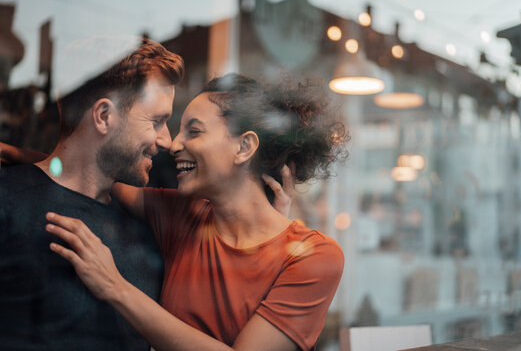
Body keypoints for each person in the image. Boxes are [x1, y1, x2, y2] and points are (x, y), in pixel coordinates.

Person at [44, 73, 348, 351]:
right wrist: (30, 161)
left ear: (244, 147)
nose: (174, 145)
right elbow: (87, 173)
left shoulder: (314, 256)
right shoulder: (183, 214)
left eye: (194, 131)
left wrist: (115, 287)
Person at [0, 37, 186, 350]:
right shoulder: (7, 201)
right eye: (157, 121)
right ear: (103, 116)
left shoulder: (147, 233)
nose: (166, 140)